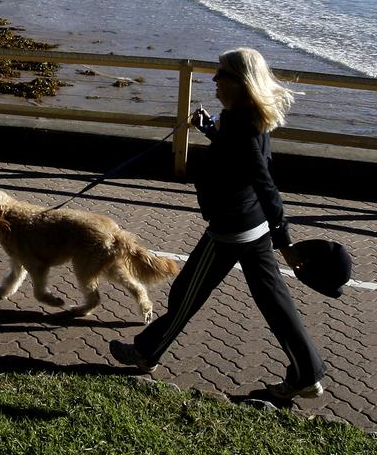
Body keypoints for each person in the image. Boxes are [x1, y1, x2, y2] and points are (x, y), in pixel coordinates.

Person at [110, 47, 326, 401]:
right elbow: (238, 155)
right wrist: (210, 127)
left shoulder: (240, 123)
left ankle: (146, 353)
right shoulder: (248, 116)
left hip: (232, 230)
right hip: (251, 225)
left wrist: (285, 241)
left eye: (220, 74)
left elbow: (265, 183)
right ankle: (308, 372)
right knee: (274, 302)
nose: (214, 80)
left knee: (185, 294)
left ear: (240, 82)